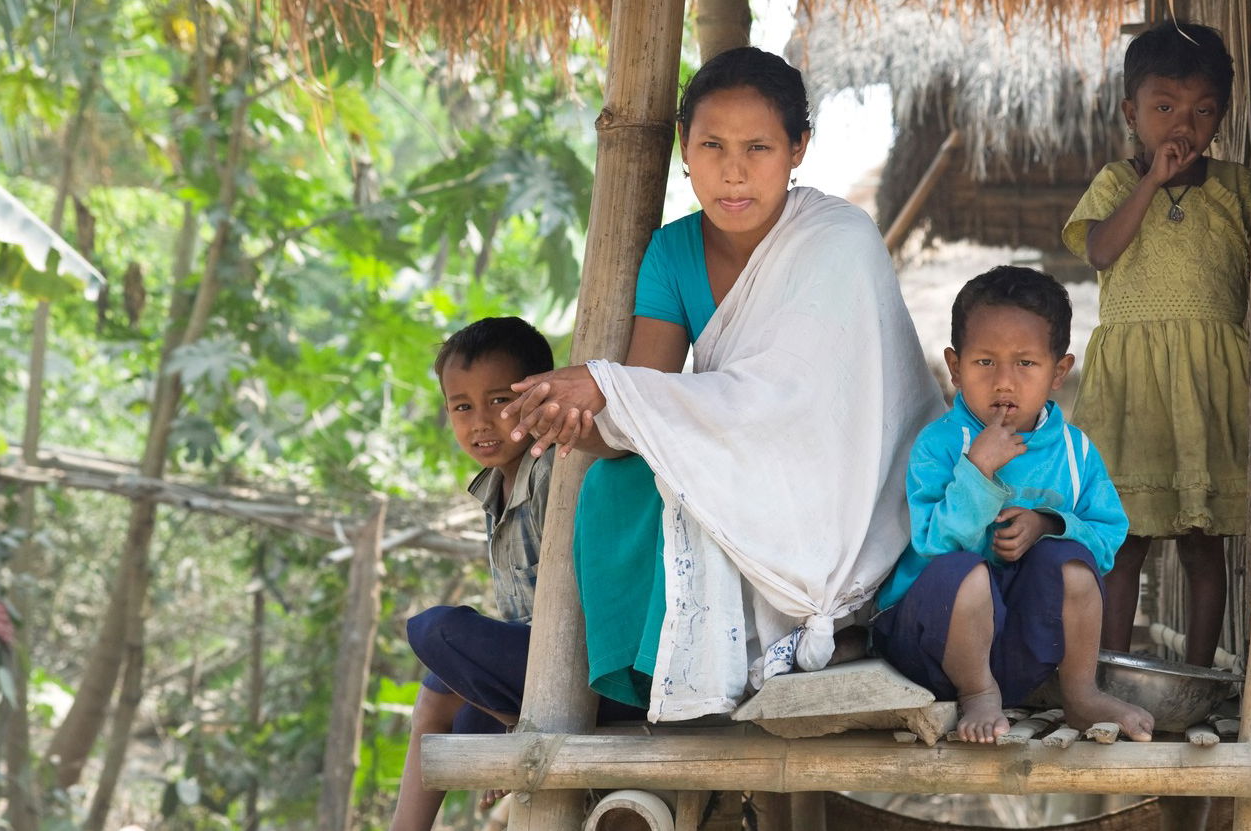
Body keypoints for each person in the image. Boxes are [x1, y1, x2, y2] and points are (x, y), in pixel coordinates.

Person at [501, 47, 939, 721]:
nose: (732, 172)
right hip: (739, 450)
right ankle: (656, 678)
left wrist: (607, 387)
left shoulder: (838, 238)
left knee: (694, 484)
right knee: (611, 485)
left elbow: (800, 405)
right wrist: (576, 415)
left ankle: (821, 635)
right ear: (683, 146)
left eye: (758, 147)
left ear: (798, 148)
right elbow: (643, 408)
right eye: (711, 145)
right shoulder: (673, 252)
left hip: (841, 484)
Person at [870, 266, 1153, 743]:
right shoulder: (939, 444)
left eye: (1025, 364)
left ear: (1059, 372)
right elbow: (935, 543)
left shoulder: (1074, 451)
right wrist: (977, 472)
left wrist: (1048, 524)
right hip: (932, 650)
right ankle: (979, 694)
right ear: (955, 368)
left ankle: (1081, 693)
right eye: (984, 363)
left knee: (1073, 564)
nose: (1004, 382)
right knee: (966, 571)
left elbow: (1108, 538)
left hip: (1023, 653)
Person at [390, 317, 641, 831]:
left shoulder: (560, 466)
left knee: (433, 631)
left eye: (501, 400)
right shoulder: (494, 490)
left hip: (605, 678)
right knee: (451, 710)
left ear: (541, 395)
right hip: (540, 670)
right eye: (462, 407)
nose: (481, 421)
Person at [1062, 22, 1251, 669]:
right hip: (1134, 392)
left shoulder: (1234, 189)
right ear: (1130, 112)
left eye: (1202, 110)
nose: (1182, 124)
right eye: (1164, 107)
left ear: (1221, 117)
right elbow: (1099, 249)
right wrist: (1150, 183)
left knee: (1203, 546)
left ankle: (1197, 674)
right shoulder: (1117, 184)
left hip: (1204, 387)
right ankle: (1110, 669)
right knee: (1126, 542)